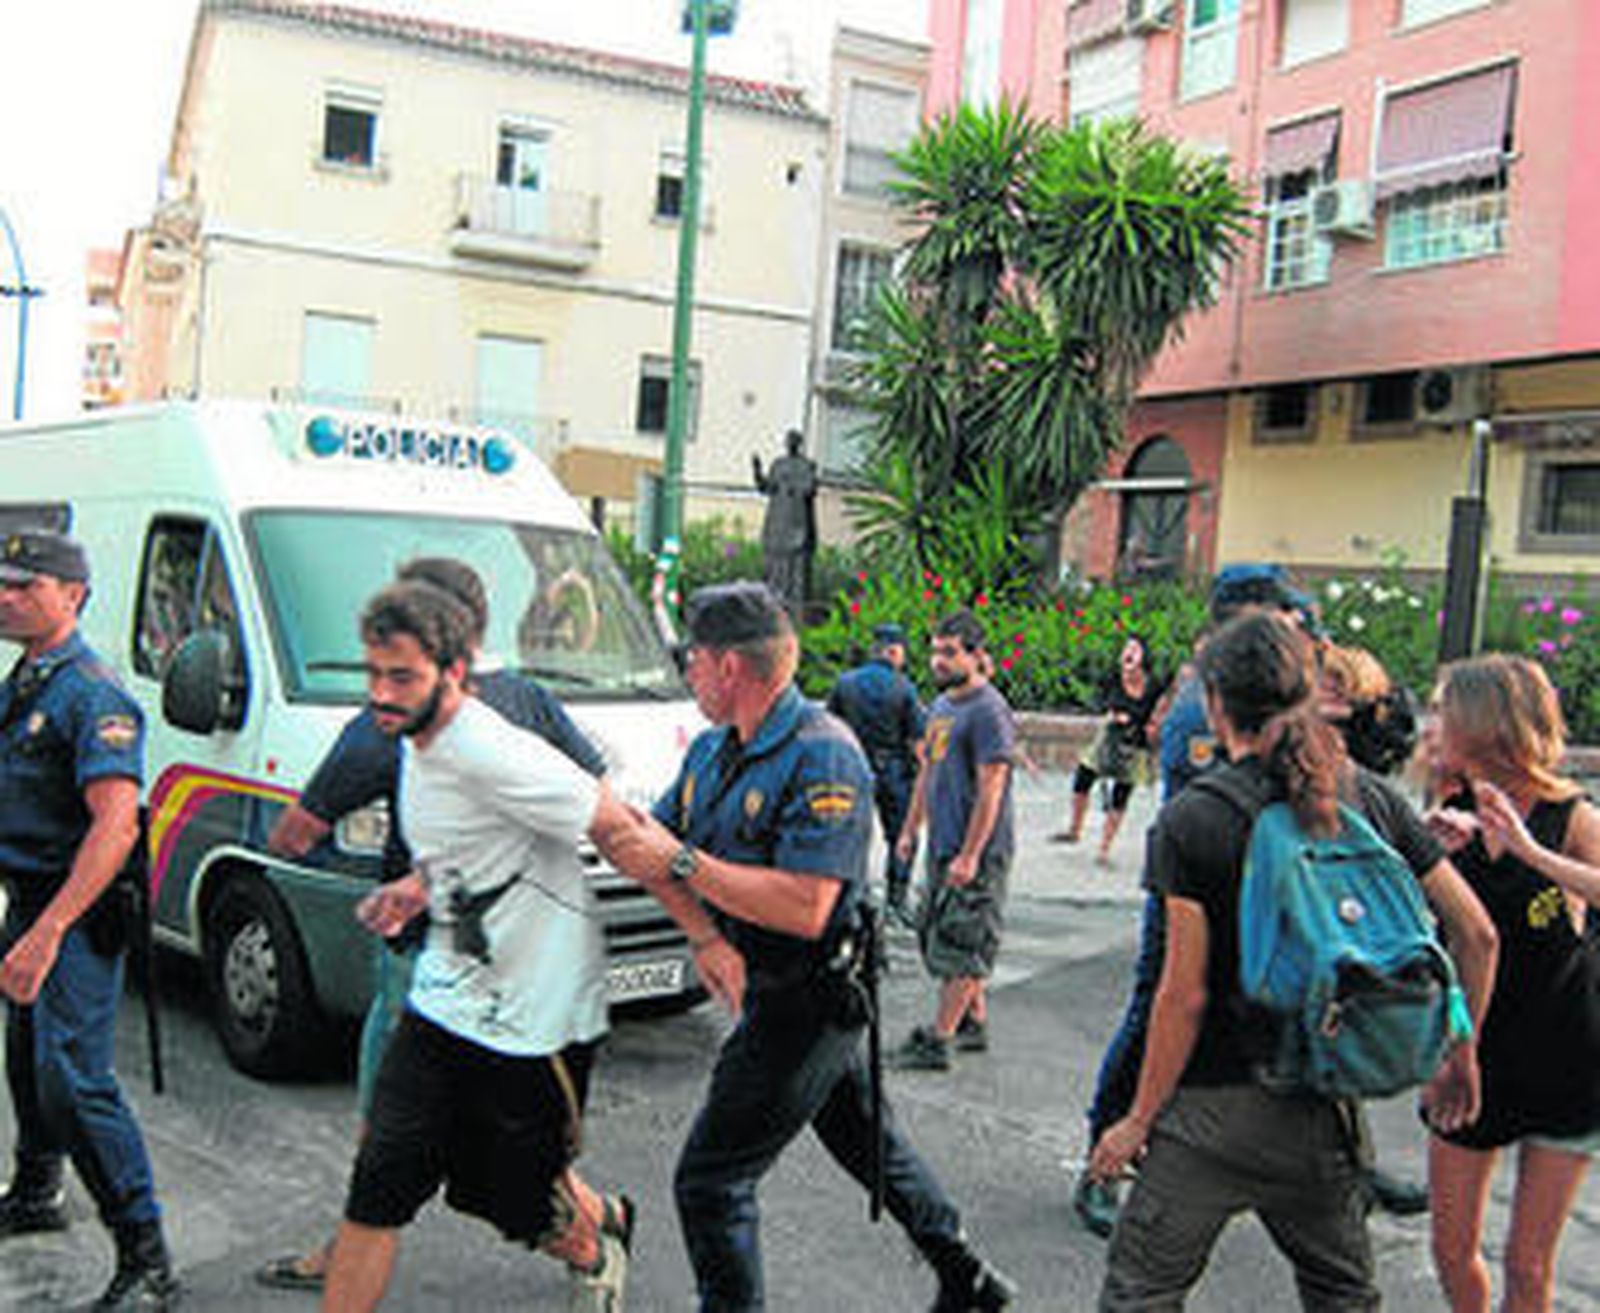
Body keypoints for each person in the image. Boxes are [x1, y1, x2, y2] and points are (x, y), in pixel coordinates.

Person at [319, 579, 736, 1313]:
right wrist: (415, 889)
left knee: (506, 1196)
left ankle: (599, 1236)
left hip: (536, 1013)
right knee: (376, 1183)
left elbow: (621, 828)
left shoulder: (494, 749)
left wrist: (703, 933)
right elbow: (473, 841)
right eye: (373, 674)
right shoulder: (416, 739)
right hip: (445, 999)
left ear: (454, 674)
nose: (380, 694)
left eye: (401, 677)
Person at [613, 581, 1015, 1313]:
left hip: (808, 998)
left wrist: (682, 863)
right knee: (870, 1144)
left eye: (692, 660)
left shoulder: (823, 755)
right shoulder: (712, 749)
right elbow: (652, 840)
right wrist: (698, 925)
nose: (688, 675)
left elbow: (806, 905)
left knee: (711, 1179)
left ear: (728, 666)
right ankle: (969, 1277)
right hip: (772, 986)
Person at [1088, 611, 1498, 1311]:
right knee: (1342, 1295)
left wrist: (1135, 1119)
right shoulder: (1364, 792)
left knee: (1142, 1293)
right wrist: (1460, 1043)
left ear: (1217, 704)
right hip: (1323, 1110)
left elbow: (1180, 997)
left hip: (1210, 1114)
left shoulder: (1194, 819)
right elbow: (1477, 933)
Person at [256, 556, 607, 1293]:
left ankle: (592, 1236)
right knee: (508, 1141)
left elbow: (295, 831)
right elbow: (593, 795)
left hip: (430, 964)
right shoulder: (531, 700)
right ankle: (594, 1224)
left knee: (391, 1136)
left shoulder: (387, 721)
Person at [0, 529, 181, 1309]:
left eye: (25, 585)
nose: (6, 596)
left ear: (72, 595)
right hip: (32, 895)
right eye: (3, 583)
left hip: (74, 907)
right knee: (25, 1052)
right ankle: (38, 1187)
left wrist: (48, 931)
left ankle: (148, 1257)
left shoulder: (93, 692)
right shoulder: (29, 678)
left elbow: (116, 826)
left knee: (73, 1077)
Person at [1423, 655, 1600, 1313]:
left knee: (1528, 1265)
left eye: (1445, 711)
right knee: (1449, 1250)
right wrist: (1432, 855)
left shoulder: (1568, 813)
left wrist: (1530, 851)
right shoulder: (1450, 805)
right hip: (1472, 1052)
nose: (1433, 724)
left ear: (1484, 723)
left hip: (1567, 1055)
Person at [892, 609, 1016, 1073]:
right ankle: (971, 1022)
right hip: (943, 845)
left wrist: (970, 854)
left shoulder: (988, 711)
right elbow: (928, 771)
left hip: (976, 851)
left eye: (949, 652)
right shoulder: (942, 707)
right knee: (933, 934)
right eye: (934, 651)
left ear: (977, 655)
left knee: (963, 941)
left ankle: (938, 1041)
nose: (937, 661)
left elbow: (992, 786)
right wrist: (909, 829)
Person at [828, 622, 926, 926]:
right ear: (894, 651)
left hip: (852, 767)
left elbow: (831, 729)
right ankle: (896, 901)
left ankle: (854, 894)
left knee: (852, 833)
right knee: (902, 835)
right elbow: (917, 742)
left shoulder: (846, 683)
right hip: (893, 770)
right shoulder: (903, 688)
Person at [1055, 635, 1165, 866]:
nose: (1128, 652)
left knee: (1120, 794)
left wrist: (1151, 728)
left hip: (1135, 745)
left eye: (1134, 649)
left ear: (1143, 657)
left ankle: (1104, 849)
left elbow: (1159, 710)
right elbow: (1101, 701)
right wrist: (1113, 714)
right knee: (1083, 777)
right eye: (1125, 649)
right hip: (1110, 737)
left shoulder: (1153, 685)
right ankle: (1074, 830)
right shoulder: (1113, 679)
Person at [751, 429, 817, 615]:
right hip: (777, 521)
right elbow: (766, 487)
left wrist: (791, 487)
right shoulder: (778, 464)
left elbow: (809, 489)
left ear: (799, 443)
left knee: (795, 568)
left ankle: (795, 609)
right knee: (774, 565)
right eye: (788, 441)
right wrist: (757, 472)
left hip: (796, 522)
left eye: (793, 441)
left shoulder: (807, 465)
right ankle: (772, 604)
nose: (790, 444)